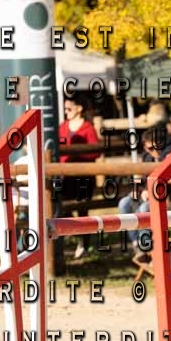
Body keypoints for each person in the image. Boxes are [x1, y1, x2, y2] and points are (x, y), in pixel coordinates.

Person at [58, 94, 102, 258]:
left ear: (79, 108)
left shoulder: (87, 128)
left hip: (84, 176)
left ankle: (84, 243)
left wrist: (77, 155)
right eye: (65, 109)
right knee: (61, 206)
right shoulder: (62, 127)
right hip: (66, 176)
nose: (66, 111)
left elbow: (96, 152)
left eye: (69, 108)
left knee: (82, 209)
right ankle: (77, 235)